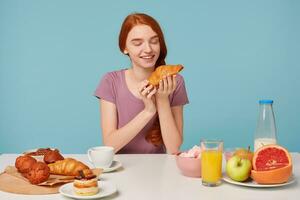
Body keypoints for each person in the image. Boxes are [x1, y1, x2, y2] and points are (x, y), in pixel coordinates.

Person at [94, 13, 189, 154]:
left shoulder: (175, 82)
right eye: (138, 43)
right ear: (124, 48)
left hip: (159, 170)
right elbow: (110, 145)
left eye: (154, 41)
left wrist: (162, 100)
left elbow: (174, 148)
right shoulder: (111, 81)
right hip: (121, 171)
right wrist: (148, 111)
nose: (148, 49)